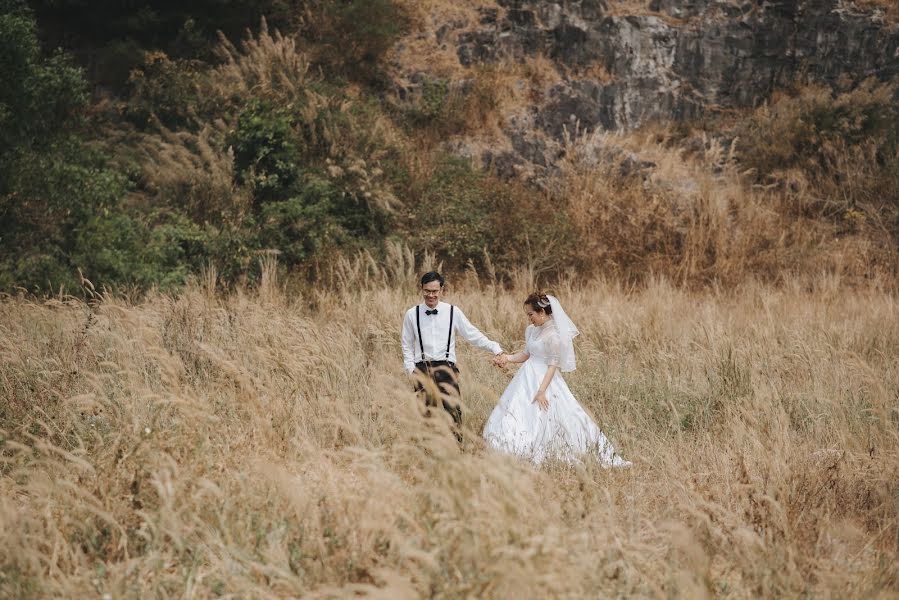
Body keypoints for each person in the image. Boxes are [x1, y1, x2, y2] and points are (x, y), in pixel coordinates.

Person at [483, 292, 630, 466]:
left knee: (552, 415)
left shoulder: (555, 335)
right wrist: (506, 358)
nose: (529, 318)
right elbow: (526, 354)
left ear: (542, 312)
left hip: (545, 380)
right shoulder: (531, 330)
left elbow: (553, 366)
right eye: (528, 315)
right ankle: (512, 446)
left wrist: (541, 391)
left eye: (531, 314)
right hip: (526, 377)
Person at [401, 271, 504, 435]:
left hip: (446, 367)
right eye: (427, 290)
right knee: (425, 415)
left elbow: (472, 334)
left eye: (434, 291)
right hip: (421, 369)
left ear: (441, 289)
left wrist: (495, 347)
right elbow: (406, 343)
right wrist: (410, 369)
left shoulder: (452, 312)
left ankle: (457, 450)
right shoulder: (411, 314)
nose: (431, 295)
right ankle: (427, 452)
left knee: (453, 412)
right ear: (421, 289)